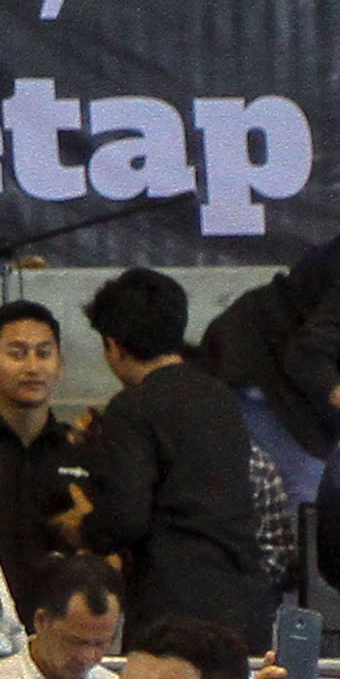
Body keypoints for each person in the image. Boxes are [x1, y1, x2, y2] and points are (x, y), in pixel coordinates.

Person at [78, 267, 272, 637]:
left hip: (173, 607)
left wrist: (84, 528)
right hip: (245, 599)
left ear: (114, 345)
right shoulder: (221, 398)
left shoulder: (131, 407)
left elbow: (126, 518)